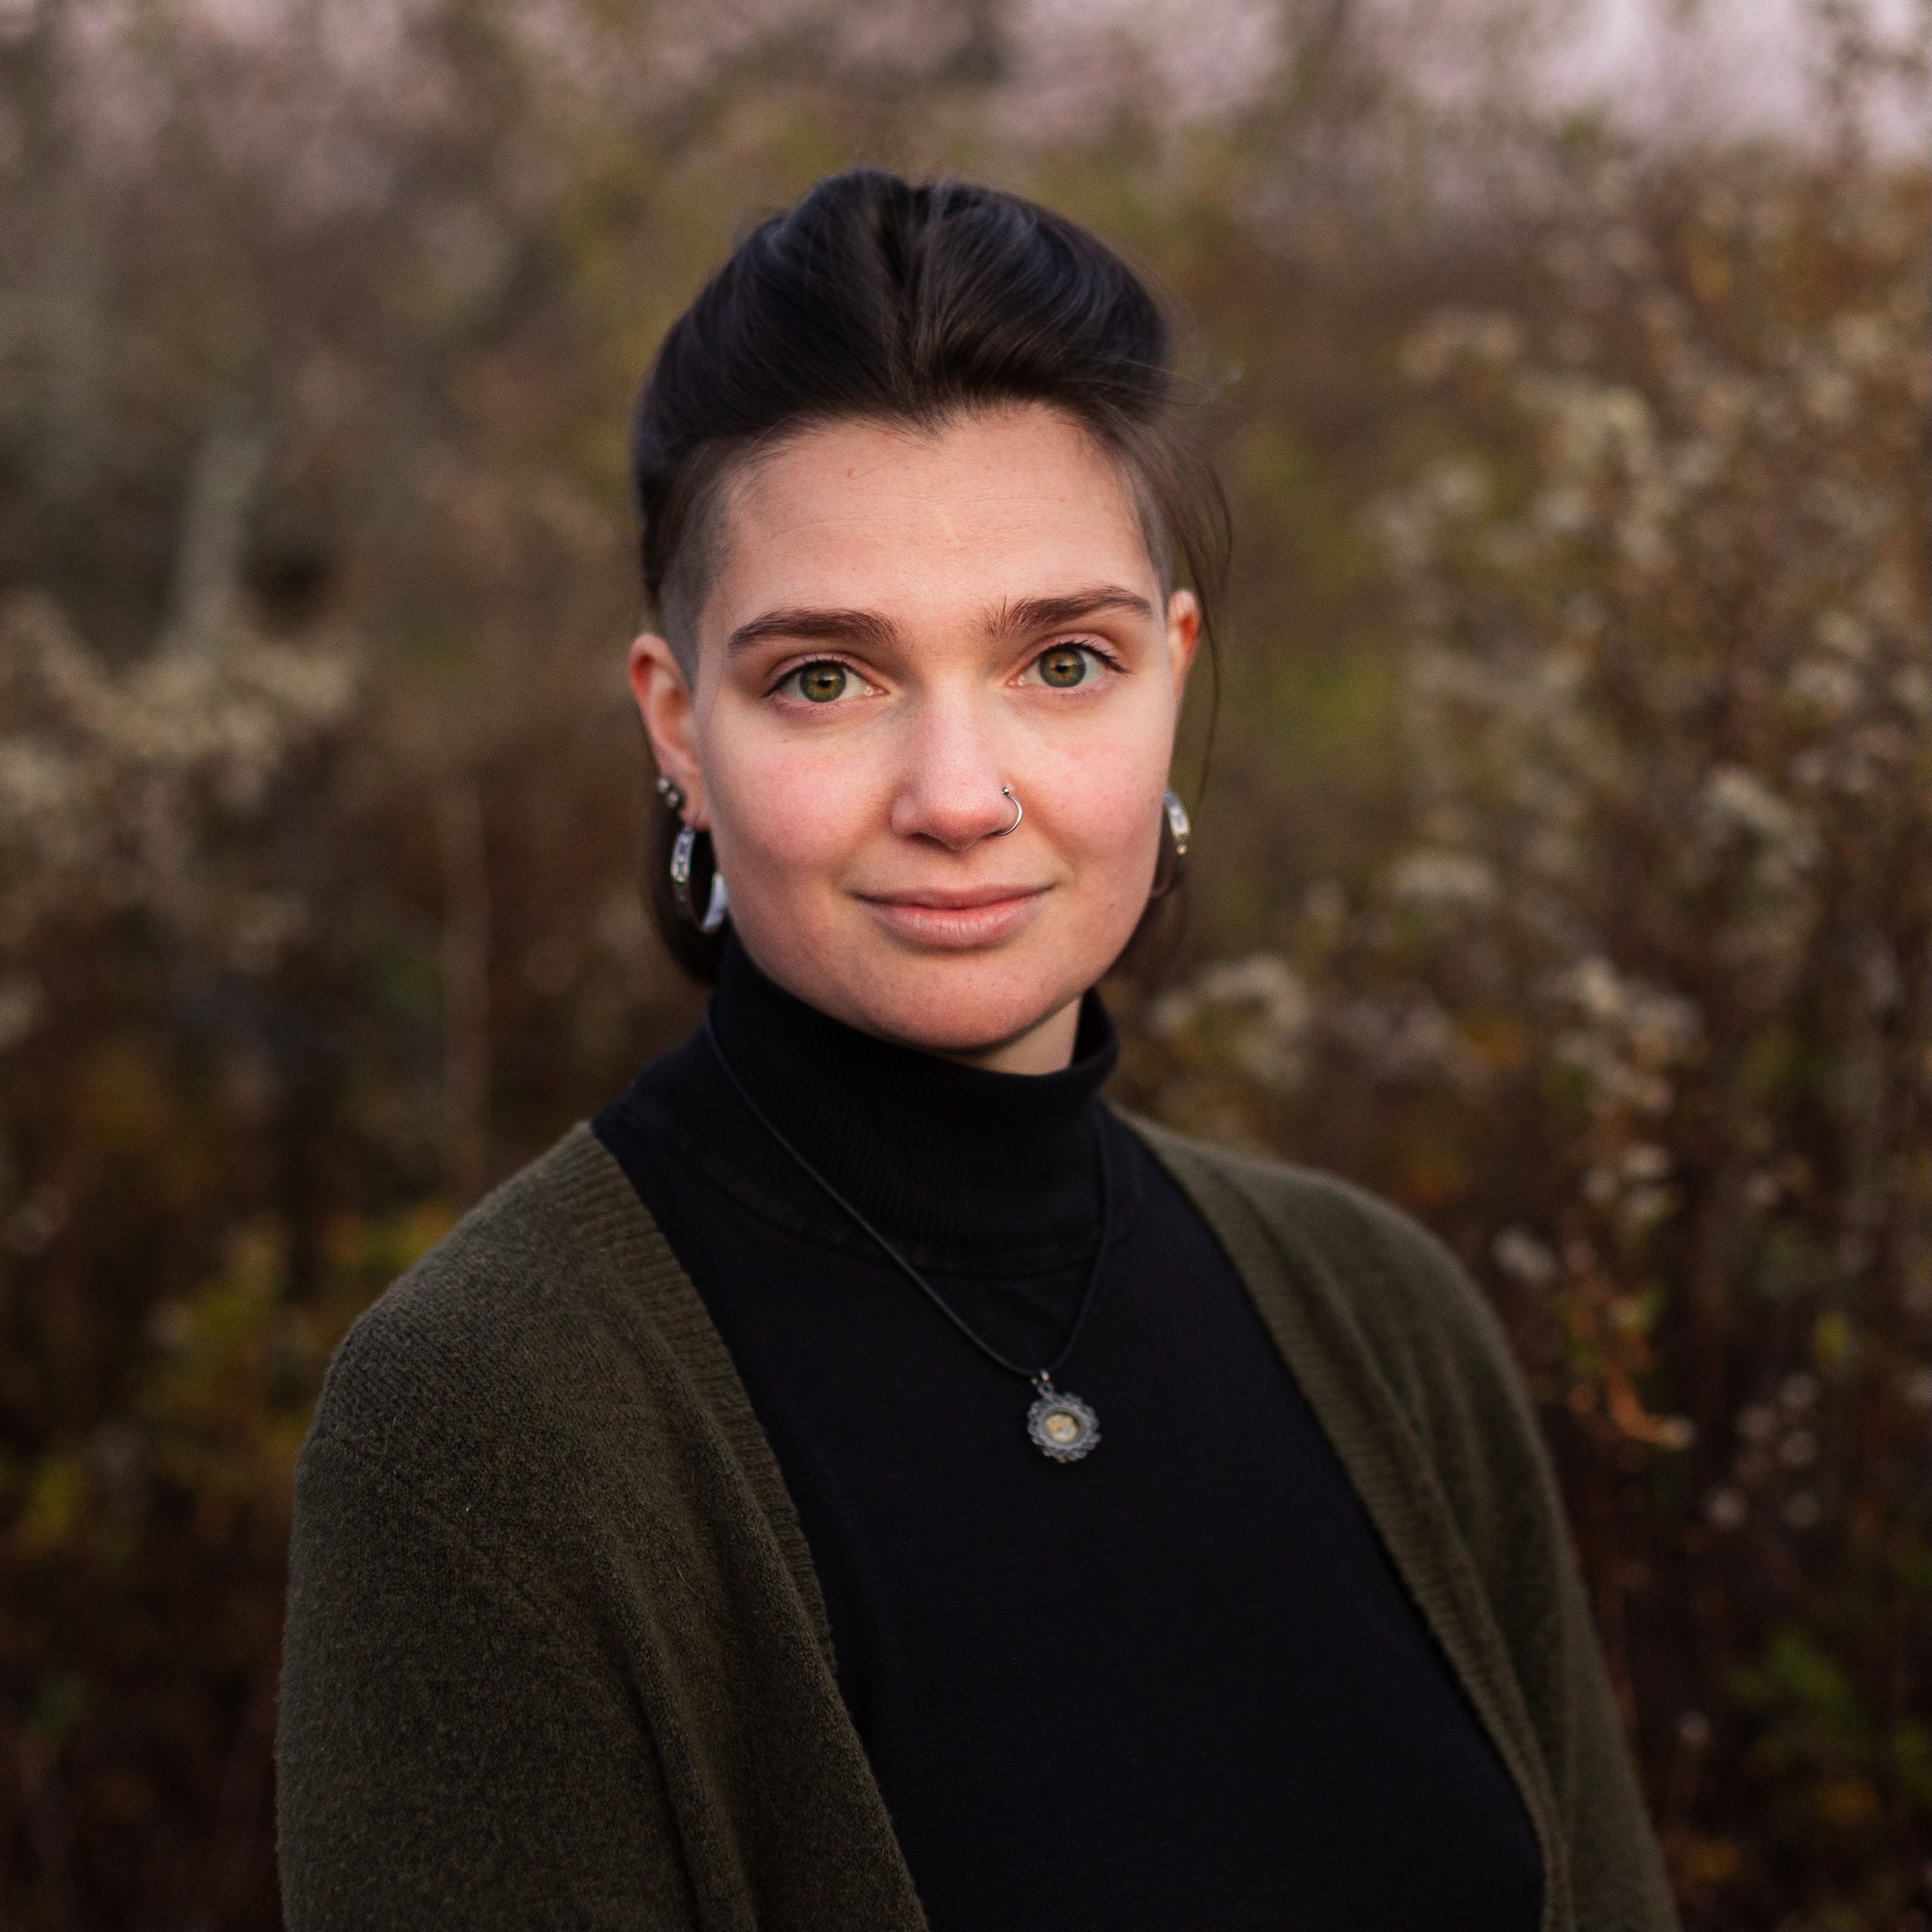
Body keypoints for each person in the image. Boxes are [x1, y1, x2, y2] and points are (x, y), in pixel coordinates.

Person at [274, 170, 1678, 1932]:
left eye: (1061, 660)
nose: (956, 795)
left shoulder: (1387, 1323)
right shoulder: (486, 1421)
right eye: (825, 679)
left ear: (1171, 676)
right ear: (675, 727)